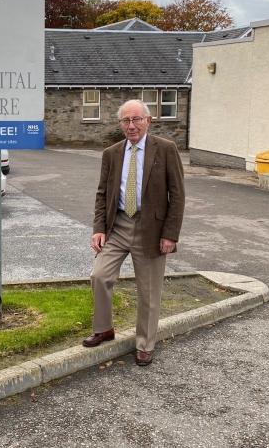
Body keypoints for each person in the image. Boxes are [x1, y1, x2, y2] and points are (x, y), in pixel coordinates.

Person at [83, 99, 185, 366]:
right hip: (118, 225)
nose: (131, 126)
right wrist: (98, 229)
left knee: (148, 291)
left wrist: (170, 234)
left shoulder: (165, 149)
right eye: (126, 121)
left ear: (148, 121)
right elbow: (102, 194)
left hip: (151, 228)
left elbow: (177, 195)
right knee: (99, 276)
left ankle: (145, 344)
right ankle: (104, 328)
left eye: (137, 119)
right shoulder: (112, 153)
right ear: (121, 124)